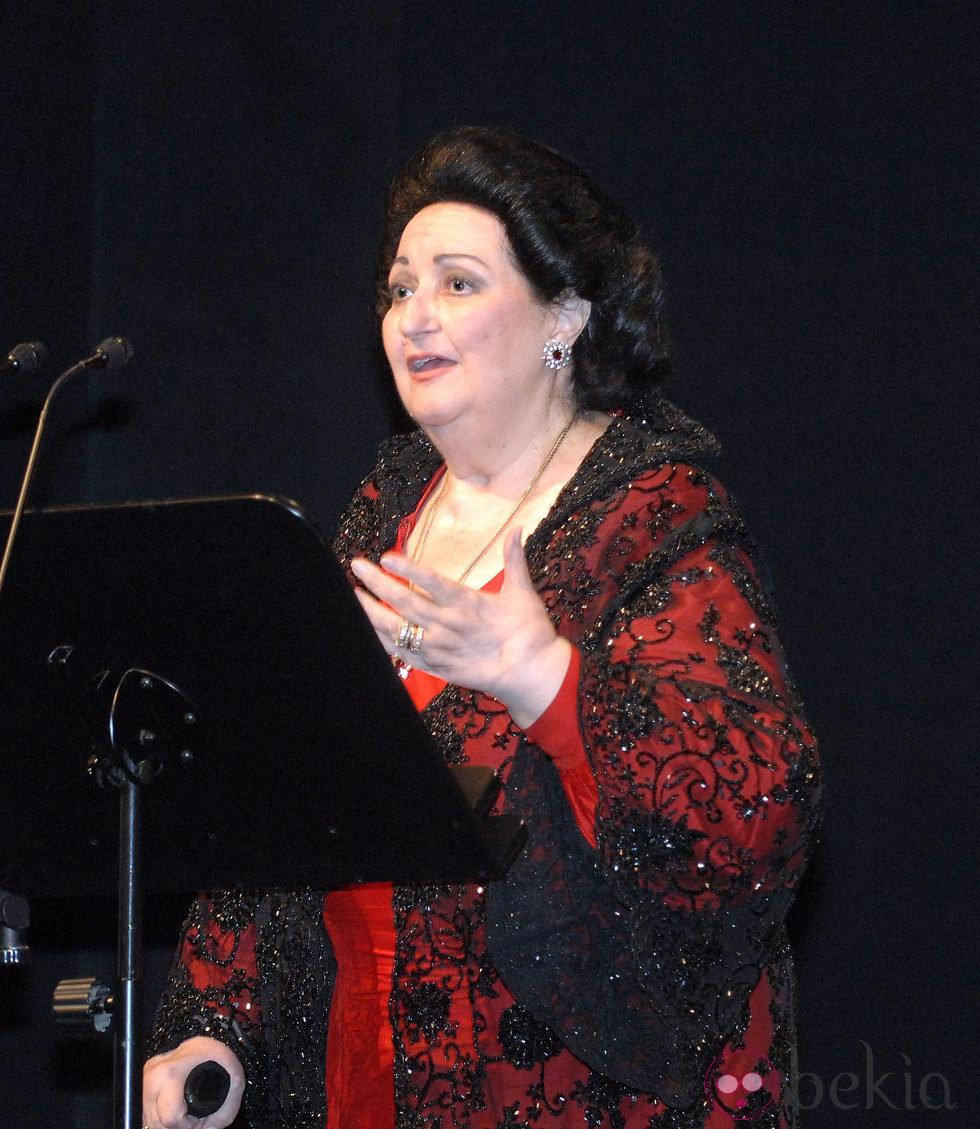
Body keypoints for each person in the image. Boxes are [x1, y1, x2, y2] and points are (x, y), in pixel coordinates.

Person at [143, 126, 820, 1129]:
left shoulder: (651, 519)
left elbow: (753, 817)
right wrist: (215, 1027)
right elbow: (283, 789)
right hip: (359, 1072)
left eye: (457, 283)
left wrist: (545, 681)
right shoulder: (386, 507)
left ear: (565, 317)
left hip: (563, 1090)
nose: (414, 314)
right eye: (398, 286)